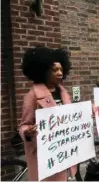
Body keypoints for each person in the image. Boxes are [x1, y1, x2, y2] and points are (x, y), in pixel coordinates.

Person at [19, 46, 77, 181]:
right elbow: (24, 125)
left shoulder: (64, 93)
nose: (60, 73)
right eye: (54, 70)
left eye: (62, 69)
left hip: (65, 153)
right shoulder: (32, 96)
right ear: (43, 71)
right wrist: (28, 132)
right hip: (47, 157)